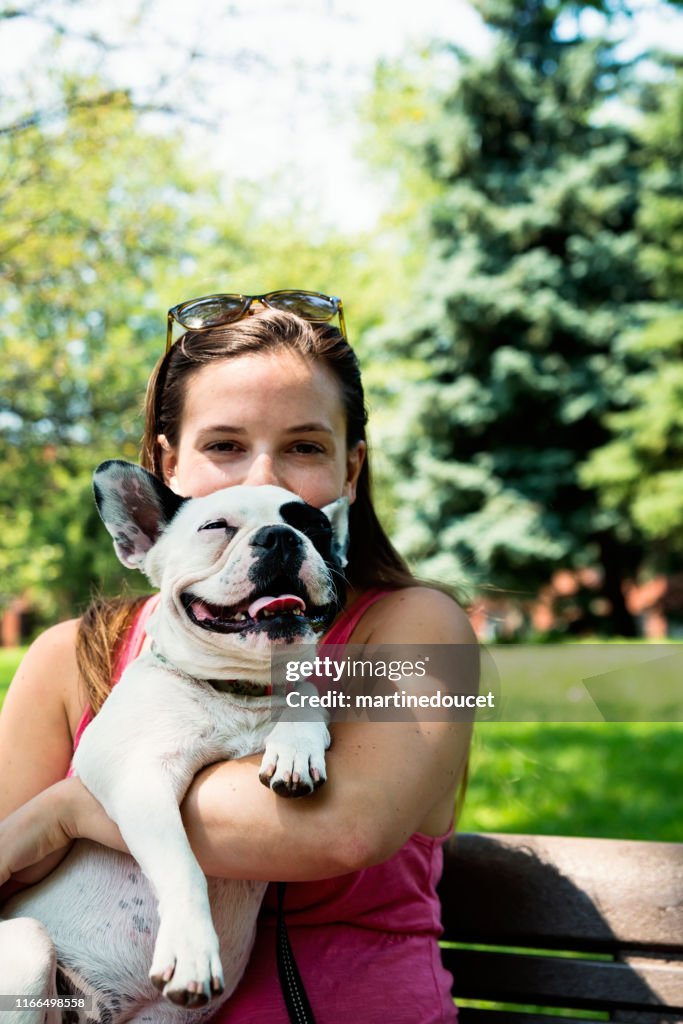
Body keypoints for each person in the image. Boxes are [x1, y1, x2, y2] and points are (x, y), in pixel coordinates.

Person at [0, 293, 475, 1023]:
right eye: (224, 446)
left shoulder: (416, 630)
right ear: (165, 468)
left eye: (304, 448)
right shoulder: (70, 656)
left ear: (351, 473)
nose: (263, 479)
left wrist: (71, 809)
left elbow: (343, 827)